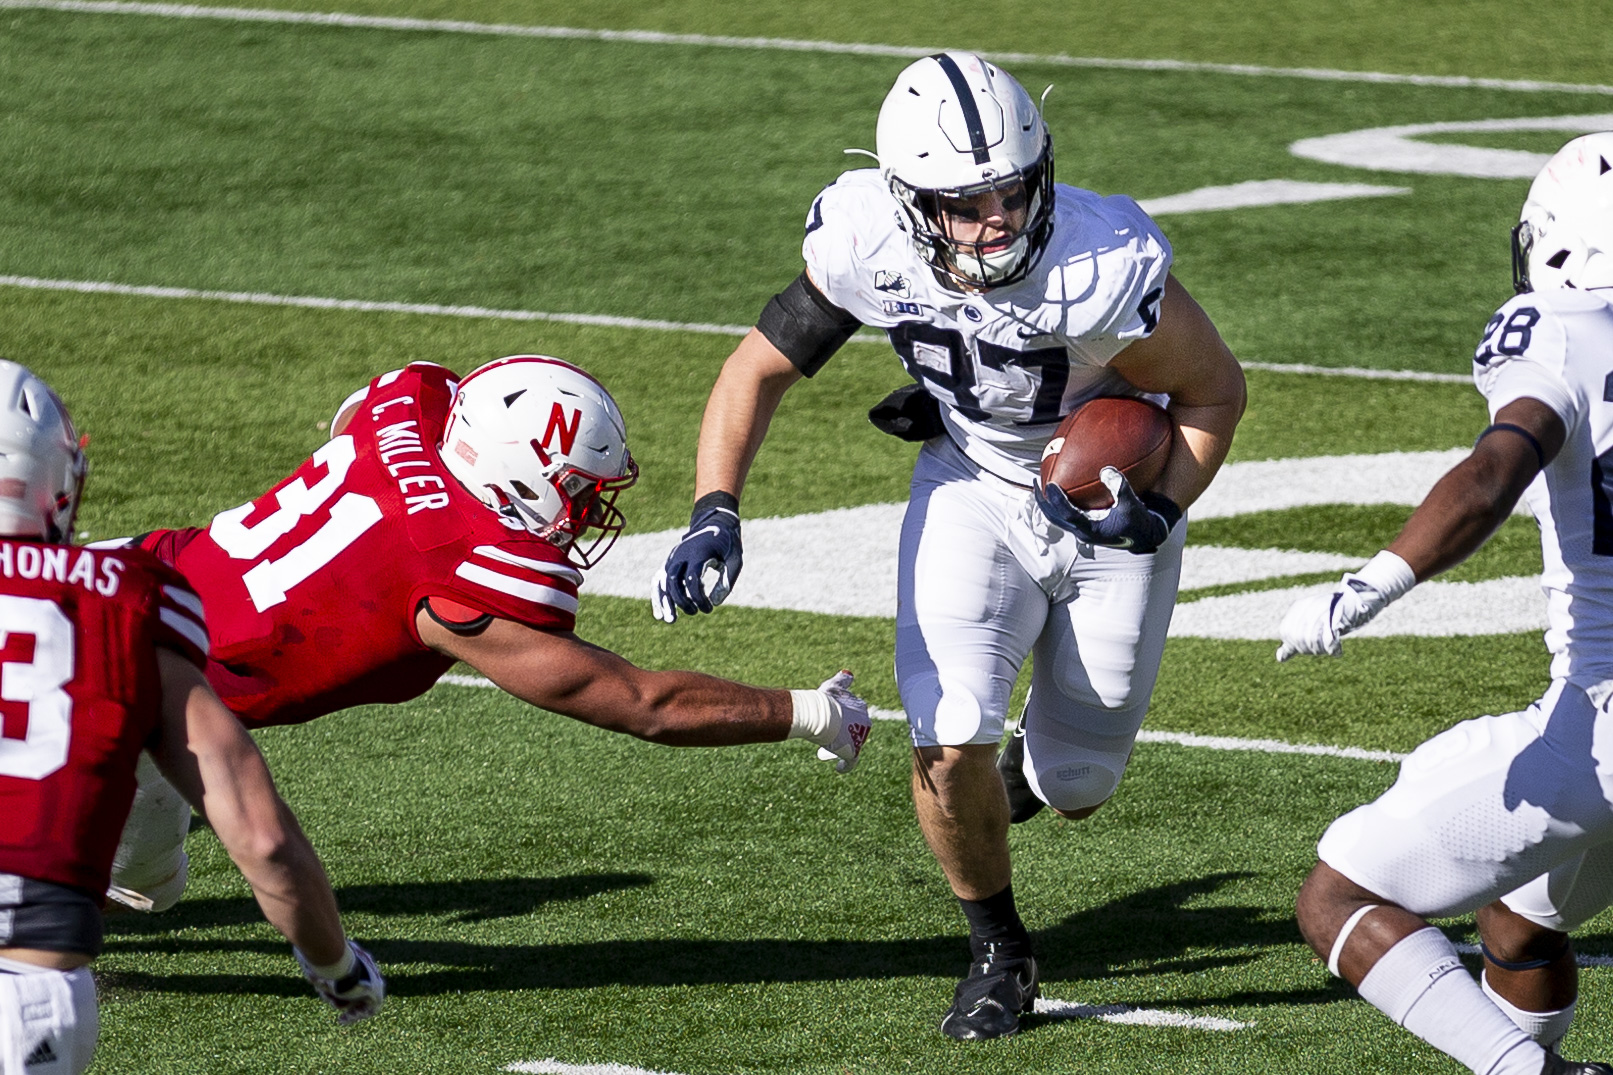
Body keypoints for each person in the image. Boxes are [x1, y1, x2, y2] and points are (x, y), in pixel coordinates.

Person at [652, 52, 1245, 1039]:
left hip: (1103, 499)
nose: (998, 218)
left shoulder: (1101, 265)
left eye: (1011, 190)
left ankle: (1018, 776)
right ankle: (998, 948)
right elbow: (754, 371)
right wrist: (716, 504)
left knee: (1077, 788)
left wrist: (1156, 506)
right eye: (965, 203)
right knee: (947, 725)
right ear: (908, 200)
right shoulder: (863, 242)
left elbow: (1213, 391)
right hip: (968, 482)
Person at [107, 354, 871, 914]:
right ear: (519, 472)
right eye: (575, 489)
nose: (583, 512)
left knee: (147, 878)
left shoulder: (413, 403)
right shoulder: (465, 574)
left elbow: (347, 425)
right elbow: (643, 702)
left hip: (126, 574)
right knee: (93, 887)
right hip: (129, 685)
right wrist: (807, 710)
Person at [1281, 133, 1613, 1075]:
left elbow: (1491, 471)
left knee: (1335, 895)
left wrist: (1371, 582)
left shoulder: (1557, 329)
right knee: (1516, 915)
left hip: (1603, 725)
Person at [0, 361, 383, 1075]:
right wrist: (336, 964)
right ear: (58, 480)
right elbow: (261, 836)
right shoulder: (126, 601)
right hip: (30, 989)